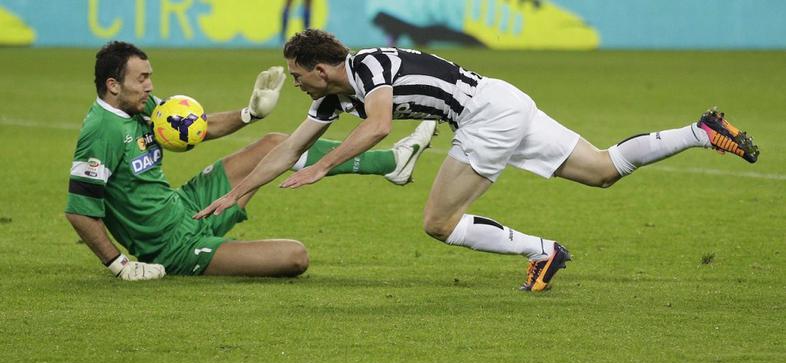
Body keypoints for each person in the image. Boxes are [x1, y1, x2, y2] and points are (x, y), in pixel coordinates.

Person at [194, 29, 760, 291]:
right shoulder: (333, 94)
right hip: (501, 99)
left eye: (297, 75)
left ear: (320, 67)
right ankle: (700, 131)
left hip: (487, 117)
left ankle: (544, 252)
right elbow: (289, 147)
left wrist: (323, 167)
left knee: (438, 222)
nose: (295, 84)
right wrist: (240, 193)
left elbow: (381, 125)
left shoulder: (366, 70)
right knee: (604, 169)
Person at [65, 40, 436, 281]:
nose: (149, 87)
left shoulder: (140, 104)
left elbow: (196, 128)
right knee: (295, 257)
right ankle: (204, 251)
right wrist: (119, 264)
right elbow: (79, 210)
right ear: (113, 85)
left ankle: (392, 162)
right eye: (142, 78)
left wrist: (249, 114)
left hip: (186, 206)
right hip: (170, 246)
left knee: (273, 143)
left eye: (150, 78)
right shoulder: (102, 132)